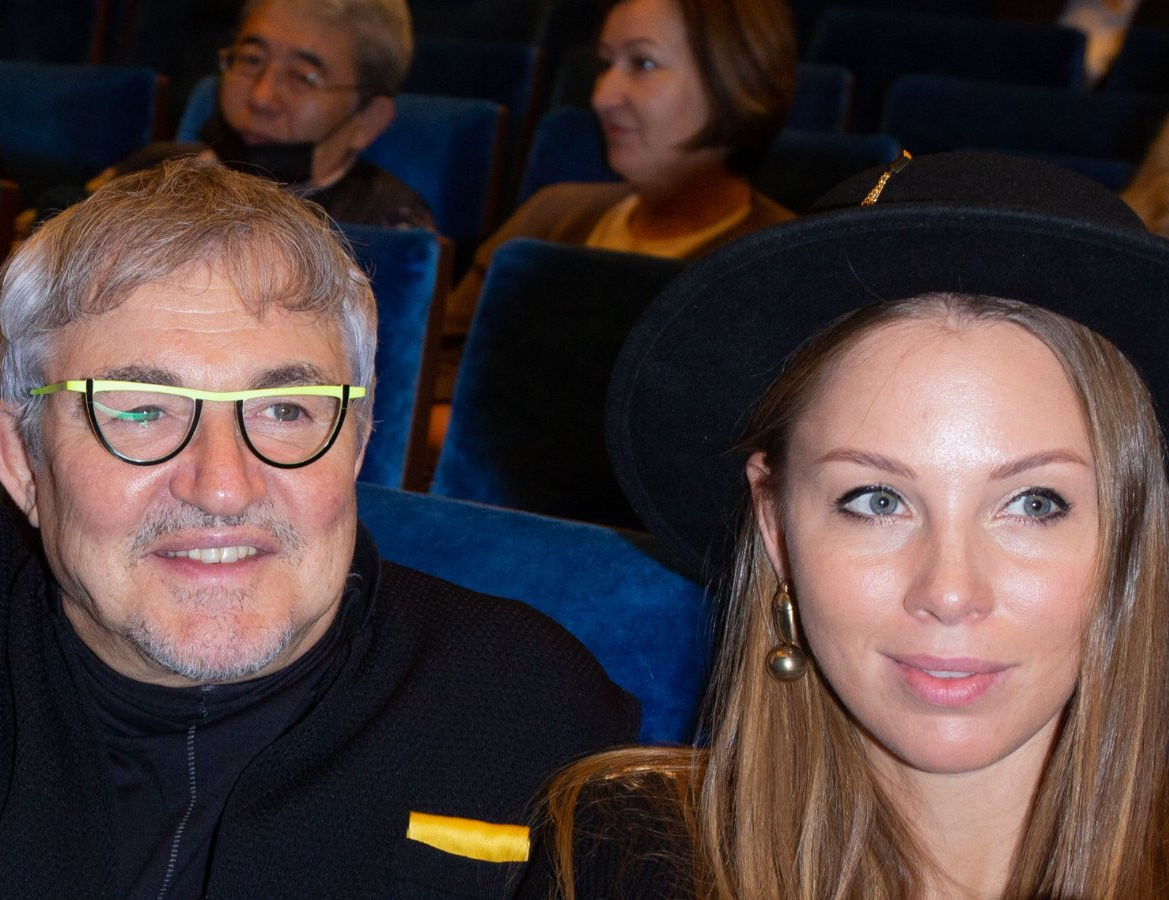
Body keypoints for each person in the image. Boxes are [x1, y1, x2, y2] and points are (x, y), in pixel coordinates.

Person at [0, 159, 637, 898]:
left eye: (284, 411)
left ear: (357, 442)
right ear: (21, 460)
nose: (223, 487)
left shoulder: (530, 717)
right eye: (140, 410)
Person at [518, 151, 1169, 898]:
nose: (950, 593)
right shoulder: (621, 860)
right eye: (878, 501)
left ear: (1133, 530)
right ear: (775, 525)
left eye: (1034, 503)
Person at [443, 0, 796, 336]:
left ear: (739, 75)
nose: (601, 98)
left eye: (643, 63)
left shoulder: (789, 261)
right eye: (604, 65)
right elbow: (441, 356)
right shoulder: (548, 214)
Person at [74, 0, 433, 230]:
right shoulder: (149, 173)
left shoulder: (386, 226)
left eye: (302, 77)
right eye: (250, 60)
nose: (261, 98)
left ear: (368, 118)